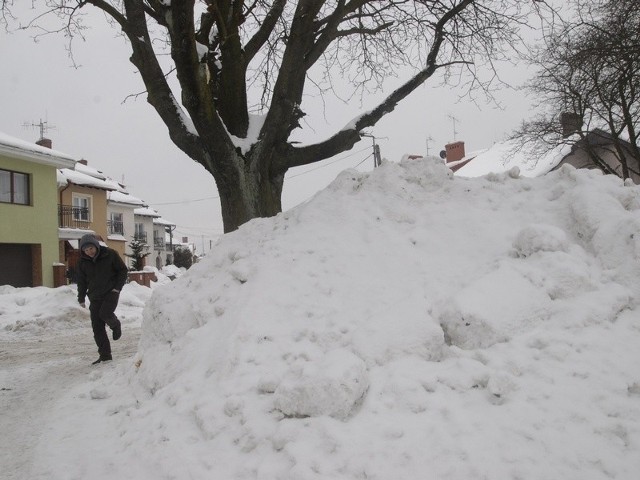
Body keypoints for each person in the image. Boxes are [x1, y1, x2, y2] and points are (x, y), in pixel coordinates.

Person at [77, 234, 128, 365]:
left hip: (110, 293)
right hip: (94, 296)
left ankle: (115, 324)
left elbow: (122, 270)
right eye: (86, 250)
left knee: (105, 313)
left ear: (96, 245)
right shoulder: (83, 262)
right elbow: (81, 281)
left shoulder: (110, 254)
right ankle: (105, 356)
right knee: (97, 327)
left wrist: (117, 288)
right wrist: (81, 297)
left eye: (91, 248)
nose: (89, 252)